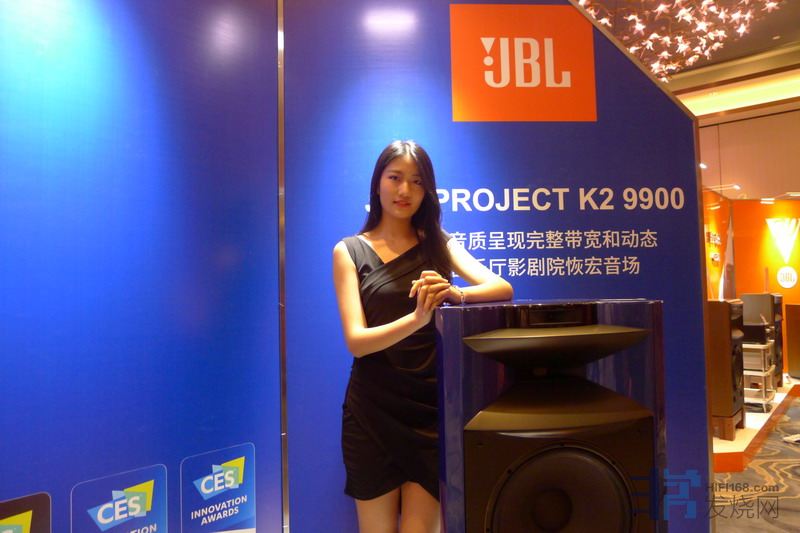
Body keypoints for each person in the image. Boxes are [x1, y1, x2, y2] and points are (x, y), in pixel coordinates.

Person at [332, 140, 513, 533]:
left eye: (416, 181)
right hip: (371, 410)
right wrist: (418, 318)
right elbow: (356, 341)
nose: (405, 190)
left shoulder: (438, 243)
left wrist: (455, 295)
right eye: (395, 178)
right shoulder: (349, 251)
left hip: (431, 411)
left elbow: (502, 288)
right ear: (377, 183)